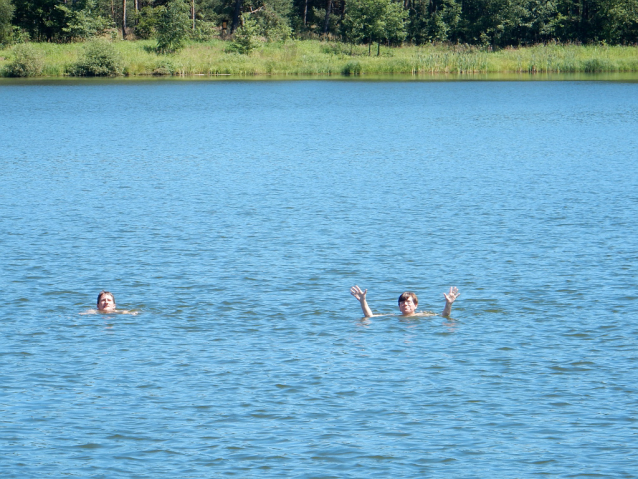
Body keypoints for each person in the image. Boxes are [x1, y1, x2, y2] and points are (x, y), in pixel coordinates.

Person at [350, 285, 460, 318]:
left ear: (416, 305)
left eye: (408, 302)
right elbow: (370, 316)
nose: (405, 304)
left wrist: (448, 304)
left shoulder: (423, 315)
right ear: (399, 306)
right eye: (402, 303)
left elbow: (444, 316)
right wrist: (363, 301)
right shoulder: (394, 316)